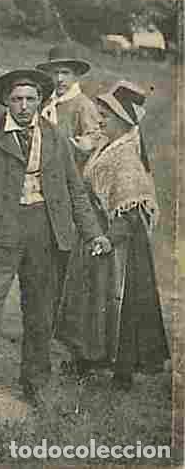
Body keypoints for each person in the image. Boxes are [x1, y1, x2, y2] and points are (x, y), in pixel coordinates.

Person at [0, 68, 112, 411]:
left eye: (30, 99)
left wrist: (93, 233)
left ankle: (35, 382)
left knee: (40, 311)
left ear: (40, 101)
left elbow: (74, 189)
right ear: (7, 101)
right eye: (17, 99)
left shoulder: (53, 136)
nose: (23, 106)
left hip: (45, 230)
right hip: (1, 231)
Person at [55, 81, 169, 390]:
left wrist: (109, 238)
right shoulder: (109, 146)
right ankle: (87, 359)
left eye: (106, 115)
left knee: (121, 302)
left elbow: (131, 210)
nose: (100, 119)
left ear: (123, 119)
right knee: (91, 299)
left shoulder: (126, 157)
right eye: (101, 113)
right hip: (96, 233)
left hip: (119, 243)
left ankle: (121, 372)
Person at [36, 44, 107, 169]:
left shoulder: (83, 105)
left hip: (70, 169)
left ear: (75, 75)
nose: (59, 79)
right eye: (55, 73)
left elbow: (95, 136)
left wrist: (85, 143)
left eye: (65, 73)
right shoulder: (45, 102)